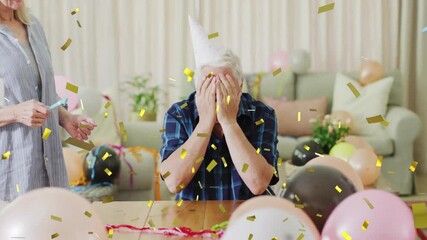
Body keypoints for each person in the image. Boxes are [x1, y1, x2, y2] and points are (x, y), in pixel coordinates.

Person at [160, 16, 279, 200]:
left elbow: (258, 183)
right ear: (198, 88)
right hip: (193, 219)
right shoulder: (178, 114)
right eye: (208, 85)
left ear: (240, 87)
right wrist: (205, 123)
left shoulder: (262, 114)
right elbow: (173, 182)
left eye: (225, 84)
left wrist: (229, 122)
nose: (216, 93)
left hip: (248, 217)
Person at [0, 0, 96, 201]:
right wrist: (16, 112)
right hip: (13, 169)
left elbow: (44, 88)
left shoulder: (33, 26)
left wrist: (66, 118)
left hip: (51, 164)